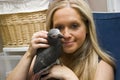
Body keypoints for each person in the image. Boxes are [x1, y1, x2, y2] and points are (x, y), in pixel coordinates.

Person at [6, 0, 115, 80]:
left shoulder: (102, 67)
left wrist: (69, 76)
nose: (66, 35)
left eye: (74, 26)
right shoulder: (42, 58)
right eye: (59, 27)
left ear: (87, 27)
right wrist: (29, 54)